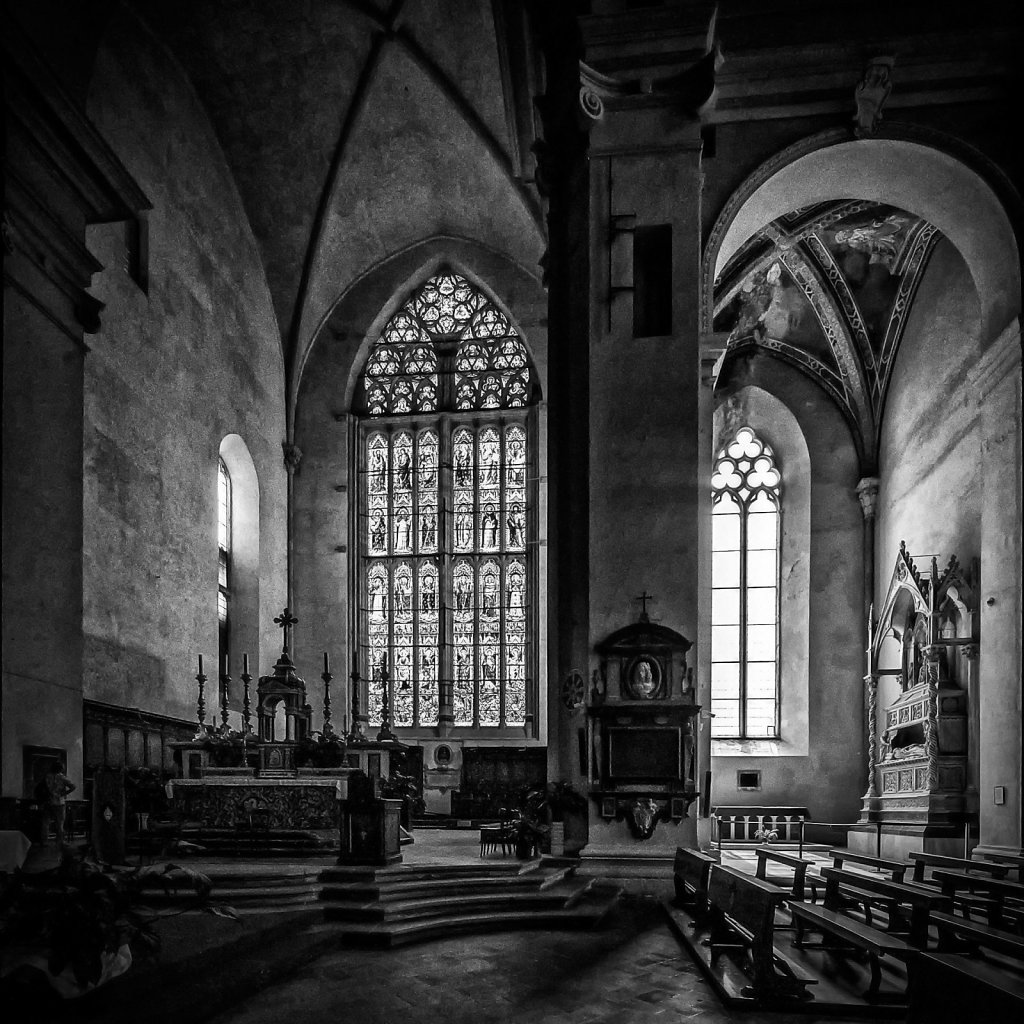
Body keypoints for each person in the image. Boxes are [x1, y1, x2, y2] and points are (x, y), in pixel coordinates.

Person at [39, 761, 75, 847]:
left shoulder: (47, 776)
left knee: (45, 823)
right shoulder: (62, 777)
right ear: (60, 769)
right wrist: (64, 793)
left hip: (48, 801)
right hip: (59, 802)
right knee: (60, 823)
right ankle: (60, 842)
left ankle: (44, 842)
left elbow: (41, 788)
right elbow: (73, 786)